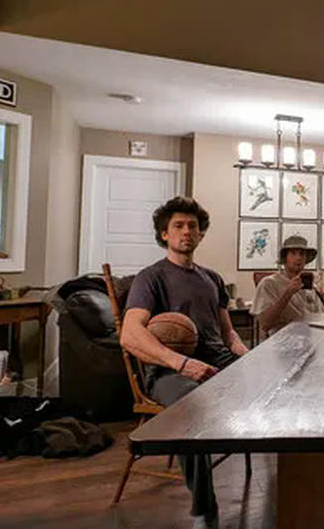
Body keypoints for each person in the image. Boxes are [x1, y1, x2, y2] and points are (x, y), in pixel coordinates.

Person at [119, 197, 250, 529]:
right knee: (192, 405)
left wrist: (245, 354)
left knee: (279, 385)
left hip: (218, 362)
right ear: (164, 234)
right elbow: (129, 335)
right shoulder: (150, 278)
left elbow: (228, 332)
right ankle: (205, 511)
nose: (187, 231)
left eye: (193, 225)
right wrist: (181, 363)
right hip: (169, 372)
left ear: (201, 233)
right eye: (178, 225)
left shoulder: (212, 279)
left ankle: (296, 488)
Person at [251, 235, 324, 336]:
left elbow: (320, 318)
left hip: (310, 336)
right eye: (293, 253)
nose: (298, 258)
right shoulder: (269, 283)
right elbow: (265, 324)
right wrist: (288, 293)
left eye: (302, 254)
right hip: (281, 338)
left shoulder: (311, 286)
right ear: (285, 257)